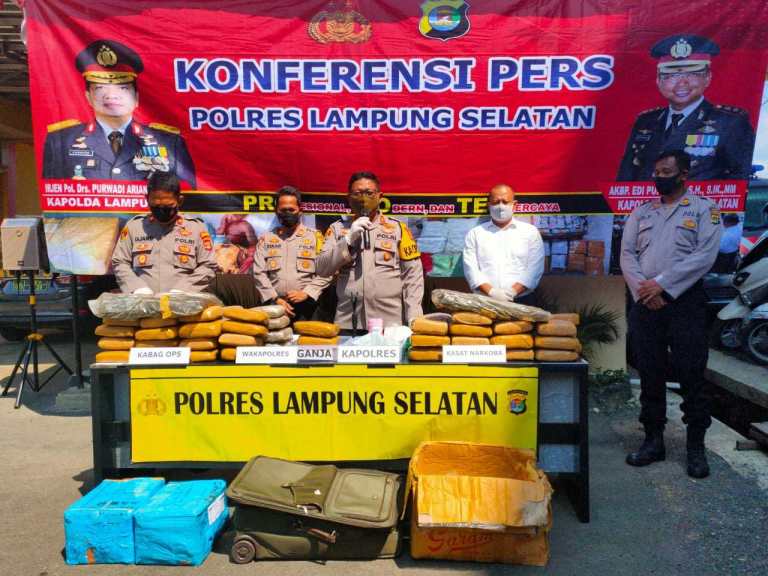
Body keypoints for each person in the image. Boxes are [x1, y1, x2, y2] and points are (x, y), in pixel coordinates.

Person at [620, 150, 721, 479]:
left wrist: (662, 286)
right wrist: (644, 291)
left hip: (685, 303)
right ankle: (653, 441)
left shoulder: (704, 210)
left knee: (692, 373)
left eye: (666, 171)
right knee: (650, 373)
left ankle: (695, 447)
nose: (659, 177)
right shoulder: (642, 212)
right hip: (645, 304)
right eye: (657, 171)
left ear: (683, 175)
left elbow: (704, 256)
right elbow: (627, 255)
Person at [42, 39, 196, 187]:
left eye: (123, 88)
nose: (111, 96)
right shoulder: (61, 141)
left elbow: (188, 195)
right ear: (88, 96)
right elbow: (51, 195)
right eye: (100, 88)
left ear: (136, 97)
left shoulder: (169, 142)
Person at [617, 35, 755, 182]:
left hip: (697, 197)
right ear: (658, 80)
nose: (682, 83)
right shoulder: (646, 121)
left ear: (708, 77)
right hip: (647, 197)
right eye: (672, 75)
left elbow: (740, 177)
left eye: (692, 73)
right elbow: (626, 177)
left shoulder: (730, 122)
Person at [317, 171, 424, 329]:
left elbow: (413, 276)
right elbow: (322, 268)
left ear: (380, 196)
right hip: (349, 319)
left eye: (369, 193)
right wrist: (347, 240)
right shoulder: (337, 229)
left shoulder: (398, 229)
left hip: (389, 320)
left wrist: (414, 315)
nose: (363, 199)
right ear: (349, 198)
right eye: (357, 193)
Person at [112, 172, 216, 294]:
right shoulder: (134, 227)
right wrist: (137, 288)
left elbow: (208, 265)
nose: (161, 210)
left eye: (168, 206)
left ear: (180, 201)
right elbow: (120, 262)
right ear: (147, 199)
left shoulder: (196, 228)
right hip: (144, 302)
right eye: (155, 206)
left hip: (183, 302)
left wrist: (183, 289)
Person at [252, 186, 332, 320]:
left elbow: (327, 272)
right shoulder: (266, 239)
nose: (287, 213)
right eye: (283, 210)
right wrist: (275, 298)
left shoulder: (315, 238)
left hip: (308, 308)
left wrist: (307, 293)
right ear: (276, 211)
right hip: (275, 306)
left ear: (300, 211)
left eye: (291, 209)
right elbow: (258, 273)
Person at [462, 184, 545, 304]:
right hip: (485, 300)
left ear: (514, 205)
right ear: (489, 205)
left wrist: (512, 292)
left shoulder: (530, 232)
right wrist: (491, 292)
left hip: (522, 300)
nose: (501, 206)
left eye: (505, 202)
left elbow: (534, 268)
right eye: (496, 202)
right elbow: (471, 269)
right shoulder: (475, 234)